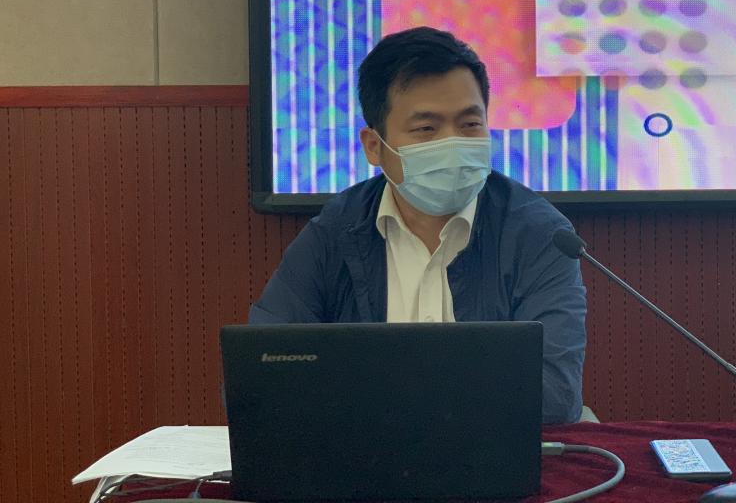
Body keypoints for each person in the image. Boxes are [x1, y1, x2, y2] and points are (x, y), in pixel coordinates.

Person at [249, 26, 587, 424]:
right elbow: (262, 374)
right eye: (427, 129)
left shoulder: (539, 234)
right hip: (364, 454)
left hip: (492, 452)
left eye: (470, 124)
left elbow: (555, 392)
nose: (453, 143)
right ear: (374, 146)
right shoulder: (335, 233)